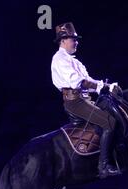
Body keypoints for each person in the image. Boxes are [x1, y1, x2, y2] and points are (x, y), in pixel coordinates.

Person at [51, 22, 122, 178]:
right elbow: (79, 83)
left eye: (76, 39)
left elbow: (88, 81)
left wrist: (105, 86)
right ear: (63, 40)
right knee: (109, 122)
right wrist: (103, 86)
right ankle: (103, 167)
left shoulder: (74, 61)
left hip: (84, 99)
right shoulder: (59, 59)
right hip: (74, 102)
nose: (76, 42)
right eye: (73, 39)